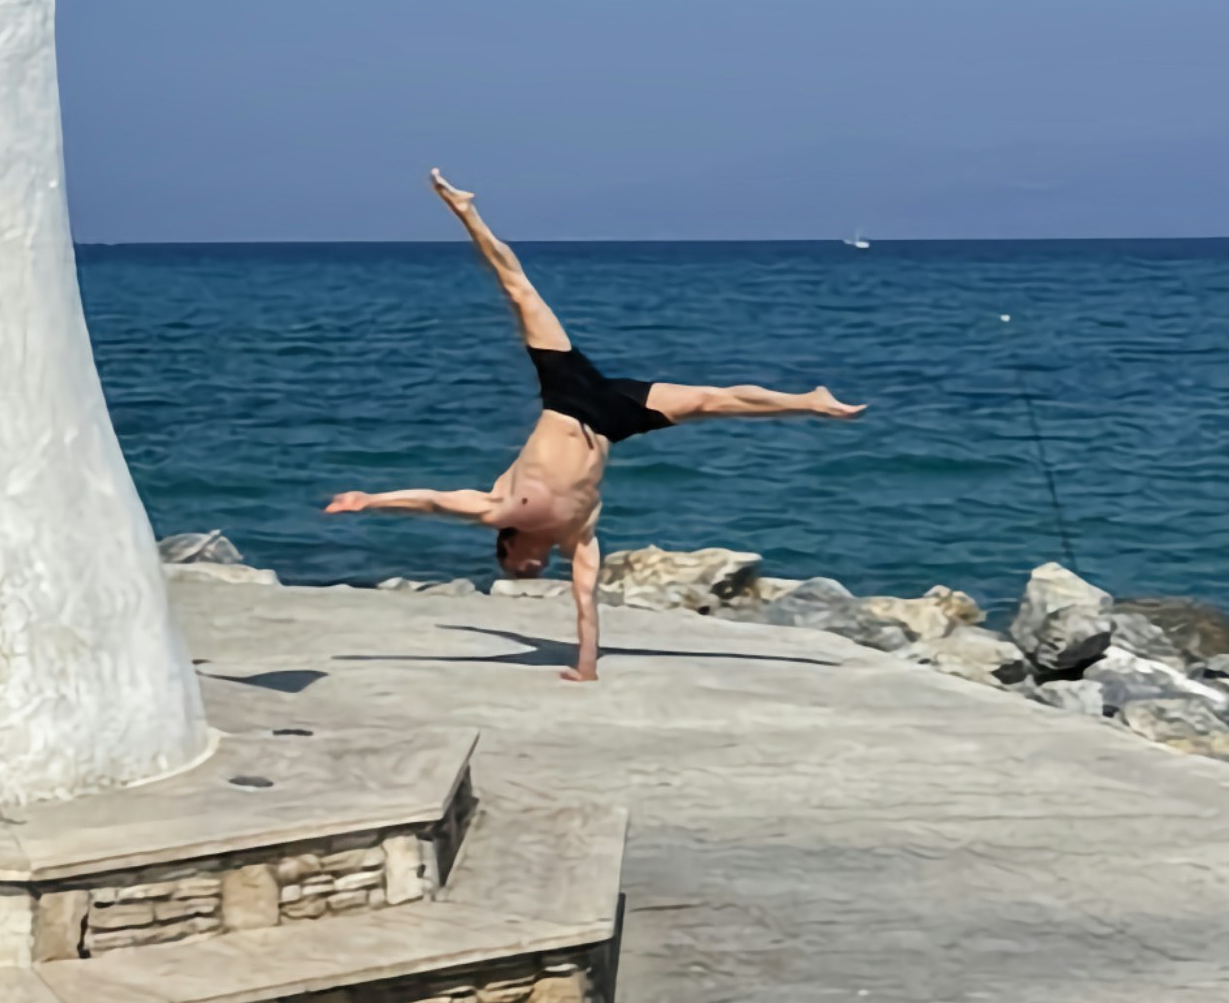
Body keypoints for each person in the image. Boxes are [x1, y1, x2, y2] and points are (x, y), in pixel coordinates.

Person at [325, 170, 864, 683]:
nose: (527, 572)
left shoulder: (499, 509)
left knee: (518, 290)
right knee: (710, 401)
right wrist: (586, 667)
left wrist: (368, 499)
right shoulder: (577, 537)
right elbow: (586, 603)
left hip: (567, 395)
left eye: (517, 569)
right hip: (610, 418)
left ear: (509, 548)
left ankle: (464, 210)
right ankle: (811, 404)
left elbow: (431, 502)